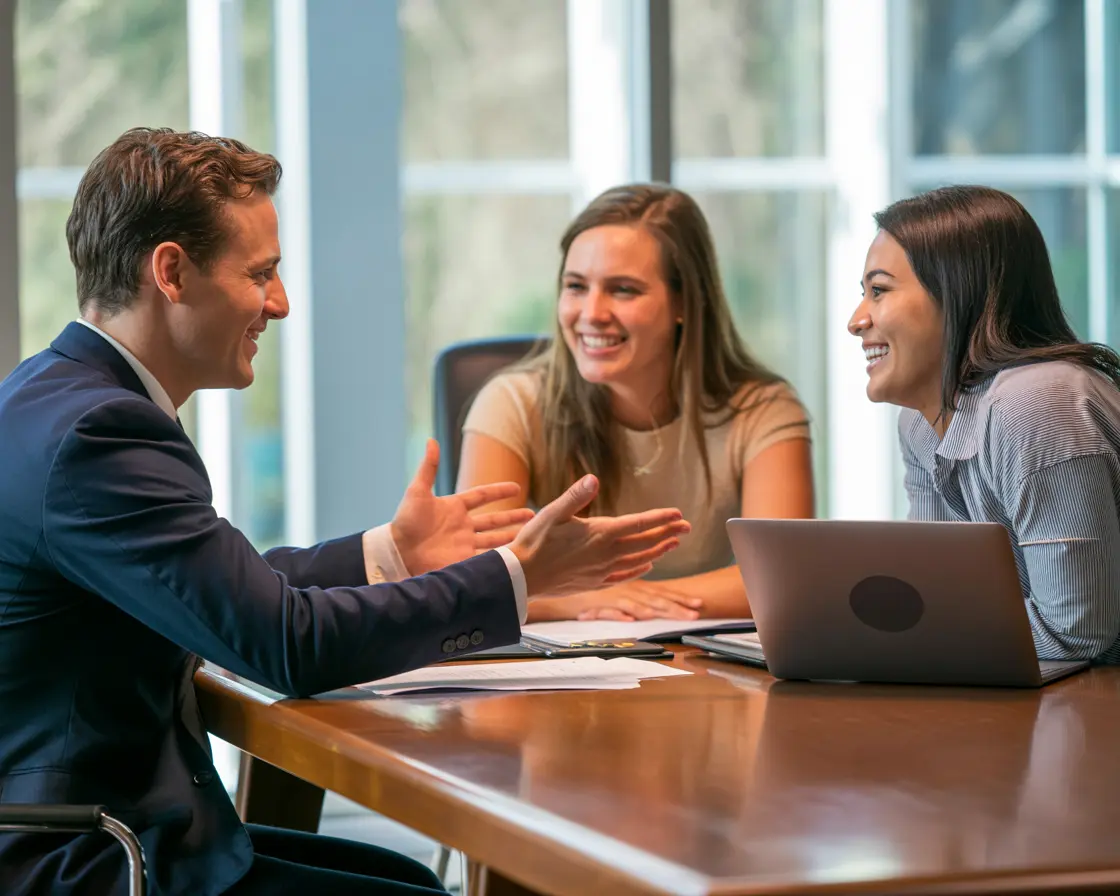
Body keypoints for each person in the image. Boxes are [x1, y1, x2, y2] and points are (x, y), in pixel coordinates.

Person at [0, 128, 690, 896]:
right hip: (87, 861)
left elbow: (211, 586)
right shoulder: (103, 435)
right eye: (260, 272)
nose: (281, 303)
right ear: (171, 272)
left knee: (401, 876)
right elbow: (283, 644)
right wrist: (515, 576)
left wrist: (389, 553)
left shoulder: (53, 396)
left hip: (103, 830)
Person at [457, 184, 815, 622]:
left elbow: (782, 579)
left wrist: (625, 597)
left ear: (685, 301)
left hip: (706, 672)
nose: (592, 313)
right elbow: (478, 580)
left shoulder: (763, 410)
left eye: (623, 289)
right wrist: (588, 599)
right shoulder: (510, 403)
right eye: (576, 286)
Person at [849, 184, 1120, 663]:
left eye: (879, 291)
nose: (856, 320)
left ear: (955, 293)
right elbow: (935, 594)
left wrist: (891, 642)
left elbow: (1076, 632)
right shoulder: (919, 423)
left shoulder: (1038, 403)